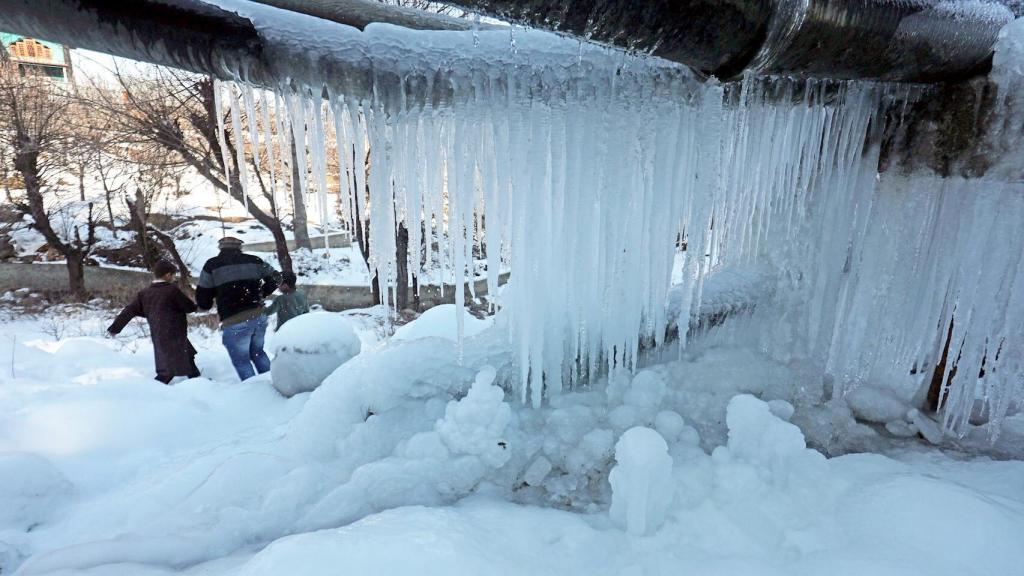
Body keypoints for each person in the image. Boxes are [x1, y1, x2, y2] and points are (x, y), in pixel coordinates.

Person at [196, 236, 281, 380]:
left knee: (242, 361)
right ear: (240, 247)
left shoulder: (212, 265)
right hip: (259, 316)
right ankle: (272, 384)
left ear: (220, 248)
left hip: (234, 319)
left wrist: (206, 303)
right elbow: (277, 277)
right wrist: (262, 293)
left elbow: (203, 295)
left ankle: (254, 392)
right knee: (258, 353)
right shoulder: (254, 260)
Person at [108, 259, 200, 384]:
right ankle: (154, 389)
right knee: (167, 371)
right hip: (175, 332)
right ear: (168, 275)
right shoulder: (172, 290)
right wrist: (199, 306)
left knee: (188, 354)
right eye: (173, 275)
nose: (174, 278)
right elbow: (189, 307)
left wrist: (115, 328)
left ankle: (197, 381)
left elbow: (129, 311)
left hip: (158, 331)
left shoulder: (144, 293)